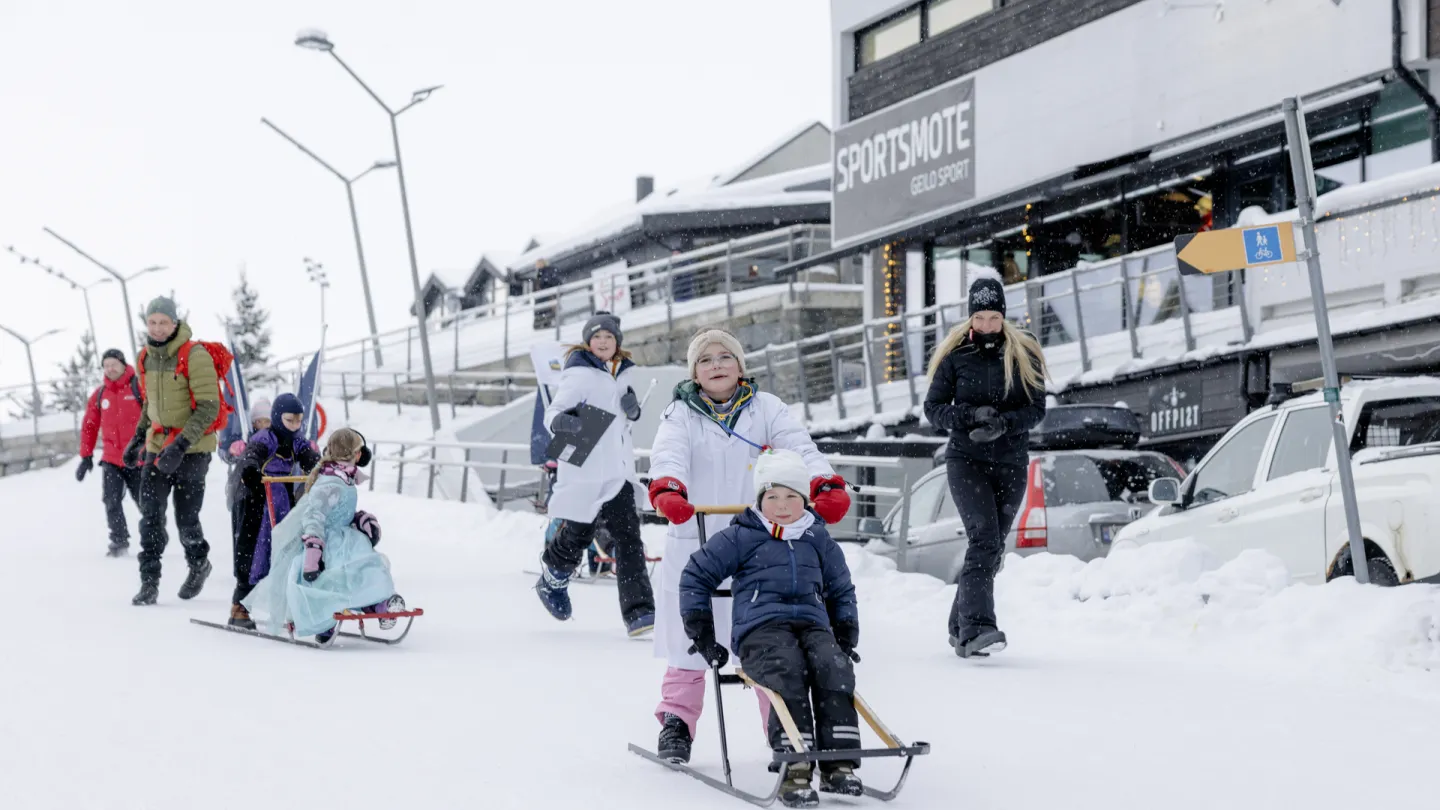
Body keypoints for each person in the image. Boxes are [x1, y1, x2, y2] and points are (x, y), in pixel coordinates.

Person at [646, 327, 851, 765]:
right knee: (689, 639)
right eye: (706, 360)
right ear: (694, 372)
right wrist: (669, 489)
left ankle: (784, 729)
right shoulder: (679, 414)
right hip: (697, 531)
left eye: (725, 357)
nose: (716, 365)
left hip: (759, 540)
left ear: (740, 366)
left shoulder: (767, 408)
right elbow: (668, 455)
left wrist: (823, 482)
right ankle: (677, 723)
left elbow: (799, 448)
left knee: (770, 642)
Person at [680, 449, 862, 807]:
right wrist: (702, 632)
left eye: (791, 496)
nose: (781, 505)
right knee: (786, 669)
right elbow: (695, 575)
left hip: (812, 627)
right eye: (772, 496)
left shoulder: (817, 538)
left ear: (805, 501)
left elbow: (841, 588)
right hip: (761, 630)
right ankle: (794, 766)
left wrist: (845, 631)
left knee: (833, 666)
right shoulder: (743, 536)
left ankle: (838, 764)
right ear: (760, 499)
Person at [922, 268, 1047, 658]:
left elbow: (1037, 409)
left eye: (994, 317)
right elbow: (934, 408)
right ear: (970, 318)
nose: (987, 324)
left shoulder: (1023, 352)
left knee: (993, 549)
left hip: (1010, 461)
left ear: (1004, 316)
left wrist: (1006, 423)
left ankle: (959, 622)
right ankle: (977, 628)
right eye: (980, 318)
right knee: (984, 539)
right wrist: (972, 417)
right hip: (967, 459)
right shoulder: (956, 355)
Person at [533, 312, 656, 636]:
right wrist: (562, 422)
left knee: (629, 537)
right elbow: (554, 412)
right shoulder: (579, 372)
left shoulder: (623, 373)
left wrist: (633, 412)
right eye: (597, 337)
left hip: (617, 469)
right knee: (578, 534)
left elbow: (621, 422)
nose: (603, 342)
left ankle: (639, 612)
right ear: (588, 341)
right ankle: (552, 580)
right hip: (585, 467)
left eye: (609, 337)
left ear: (617, 343)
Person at [242, 427, 401, 646]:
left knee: (363, 570)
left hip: (346, 537)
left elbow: (339, 511)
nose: (360, 456)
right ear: (350, 453)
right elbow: (314, 516)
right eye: (357, 451)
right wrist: (314, 551)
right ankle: (325, 622)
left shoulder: (343, 477)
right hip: (327, 542)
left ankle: (379, 605)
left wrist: (359, 520)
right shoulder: (331, 482)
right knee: (332, 579)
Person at [123, 296, 221, 606]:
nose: (158, 328)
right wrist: (137, 440)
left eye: (164, 322)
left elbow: (208, 407)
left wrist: (180, 446)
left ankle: (198, 564)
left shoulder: (195, 355)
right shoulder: (146, 357)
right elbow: (150, 406)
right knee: (151, 516)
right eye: (152, 322)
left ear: (174, 323)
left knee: (186, 517)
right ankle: (149, 583)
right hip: (156, 446)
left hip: (193, 449)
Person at [227, 394, 320, 630]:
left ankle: (289, 605)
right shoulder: (265, 438)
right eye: (290, 420)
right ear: (278, 418)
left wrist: (321, 468)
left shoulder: (298, 441)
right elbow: (252, 455)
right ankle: (240, 607)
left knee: (286, 549)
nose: (294, 426)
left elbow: (311, 459)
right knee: (252, 550)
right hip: (255, 500)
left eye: (299, 421)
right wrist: (250, 469)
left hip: (282, 500)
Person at [75, 348, 144, 557]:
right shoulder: (99, 395)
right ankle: (119, 542)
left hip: (138, 458)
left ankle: (155, 536)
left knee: (145, 502)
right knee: (111, 499)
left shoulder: (138, 387)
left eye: (113, 364)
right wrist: (86, 456)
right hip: (112, 459)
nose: (110, 368)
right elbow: (89, 426)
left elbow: (156, 417)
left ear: (123, 364)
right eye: (106, 365)